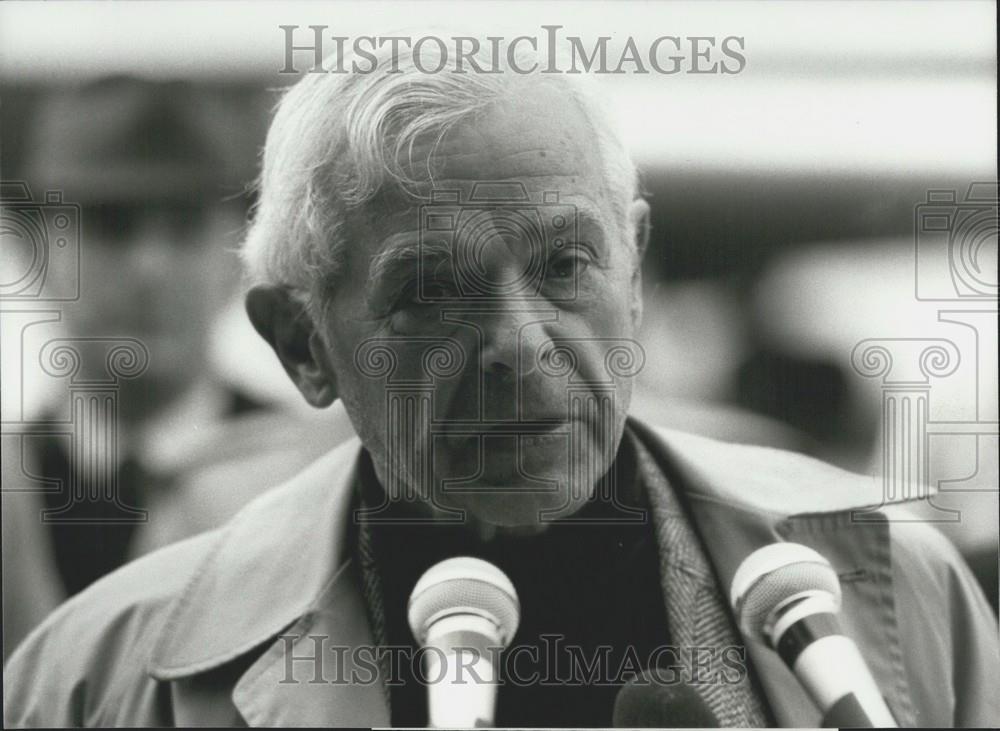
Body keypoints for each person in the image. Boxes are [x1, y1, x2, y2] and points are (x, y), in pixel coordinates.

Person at [4, 41, 998, 728]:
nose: (518, 345)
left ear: (634, 269)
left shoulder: (892, 585)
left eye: (566, 264)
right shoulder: (100, 676)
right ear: (301, 342)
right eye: (430, 289)